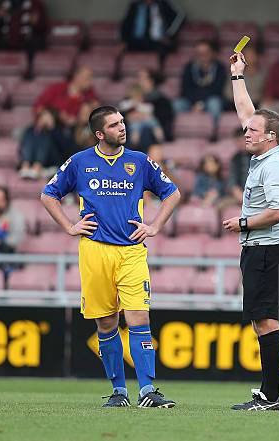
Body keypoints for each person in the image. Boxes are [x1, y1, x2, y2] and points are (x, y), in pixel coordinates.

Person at [41, 105, 181, 408]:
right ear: (100, 134)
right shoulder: (79, 162)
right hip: (94, 251)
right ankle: (119, 392)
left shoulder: (139, 161)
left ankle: (147, 390)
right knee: (106, 323)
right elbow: (48, 194)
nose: (123, 127)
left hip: (131, 251)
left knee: (139, 317)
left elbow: (172, 193)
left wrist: (155, 225)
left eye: (122, 122)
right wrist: (69, 225)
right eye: (115, 125)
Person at [222, 51, 279, 411]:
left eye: (252, 130)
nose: (245, 131)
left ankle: (271, 397)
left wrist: (243, 222)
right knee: (262, 323)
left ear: (269, 137)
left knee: (266, 323)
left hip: (267, 249)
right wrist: (238, 76)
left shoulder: (275, 167)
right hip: (259, 250)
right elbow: (246, 113)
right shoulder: (265, 155)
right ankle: (269, 394)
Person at [19, 66, 99, 179]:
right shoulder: (57, 89)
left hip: (65, 137)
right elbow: (38, 107)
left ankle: (36, 165)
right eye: (87, 78)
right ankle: (26, 165)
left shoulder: (90, 95)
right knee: (31, 130)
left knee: (46, 133)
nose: (90, 81)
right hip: (51, 128)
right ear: (76, 77)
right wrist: (45, 114)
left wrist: (70, 120)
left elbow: (94, 112)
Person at [174, 40, 226, 140]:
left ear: (212, 53)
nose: (202, 55)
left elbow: (218, 89)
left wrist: (201, 103)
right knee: (177, 104)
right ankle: (175, 135)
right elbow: (185, 88)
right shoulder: (189, 67)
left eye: (205, 52)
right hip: (191, 100)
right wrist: (195, 103)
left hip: (210, 99)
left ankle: (213, 134)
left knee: (215, 104)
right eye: (199, 53)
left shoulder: (219, 68)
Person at [0, 0, 49, 77]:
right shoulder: (0, 4)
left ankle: (29, 72)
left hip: (27, 40)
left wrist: (36, 23)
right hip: (6, 40)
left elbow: (44, 29)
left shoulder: (36, 5)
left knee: (34, 44)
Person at [120, 0, 185, 61]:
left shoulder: (163, 4)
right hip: (138, 41)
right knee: (120, 49)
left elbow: (181, 16)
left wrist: (169, 35)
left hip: (158, 41)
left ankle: (159, 71)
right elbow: (125, 25)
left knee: (164, 48)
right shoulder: (135, 6)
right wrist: (123, 40)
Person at [119, 83, 165, 152]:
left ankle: (158, 132)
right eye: (135, 96)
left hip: (144, 121)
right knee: (135, 125)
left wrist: (142, 115)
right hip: (135, 122)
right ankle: (134, 139)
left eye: (139, 96)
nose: (137, 98)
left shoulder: (144, 104)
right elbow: (123, 110)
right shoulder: (127, 103)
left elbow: (149, 112)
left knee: (153, 121)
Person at [137, 68, 174, 141]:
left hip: (153, 135)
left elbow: (165, 120)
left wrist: (145, 116)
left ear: (151, 81)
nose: (138, 81)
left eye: (142, 78)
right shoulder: (131, 97)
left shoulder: (162, 100)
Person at [224, 127, 252, 207]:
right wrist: (236, 191)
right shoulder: (235, 158)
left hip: (258, 197)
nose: (240, 143)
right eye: (237, 141)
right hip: (240, 196)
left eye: (242, 140)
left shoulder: (260, 156)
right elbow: (232, 180)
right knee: (221, 205)